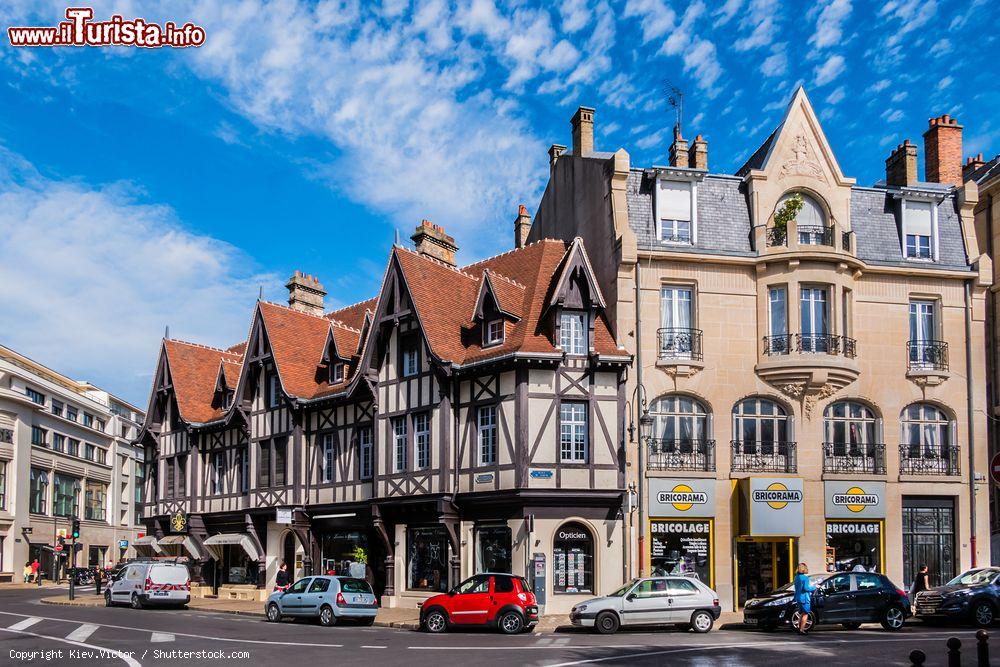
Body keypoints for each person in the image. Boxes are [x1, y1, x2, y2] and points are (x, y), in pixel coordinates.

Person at [793, 563, 817, 634]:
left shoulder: (796, 577)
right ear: (804, 569)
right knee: (806, 613)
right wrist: (815, 587)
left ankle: (799, 628)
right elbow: (806, 588)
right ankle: (802, 630)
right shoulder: (805, 578)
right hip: (804, 598)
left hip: (798, 597)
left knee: (801, 614)